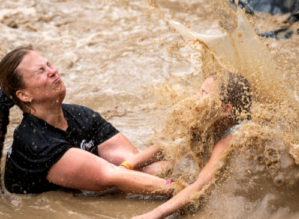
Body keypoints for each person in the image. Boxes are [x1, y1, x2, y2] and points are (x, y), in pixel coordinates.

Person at [0, 45, 176, 195]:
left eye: (49, 65)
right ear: (24, 95)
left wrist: (183, 162)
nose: (53, 71)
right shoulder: (36, 142)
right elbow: (113, 176)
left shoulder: (81, 115)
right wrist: (176, 188)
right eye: (41, 71)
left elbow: (133, 164)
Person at [129, 72, 252, 218]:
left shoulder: (231, 138)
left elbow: (201, 184)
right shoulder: (210, 119)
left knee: (166, 174)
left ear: (225, 109)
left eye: (203, 93)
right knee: (156, 168)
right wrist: (126, 166)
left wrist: (154, 214)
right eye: (199, 91)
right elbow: (168, 146)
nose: (195, 97)